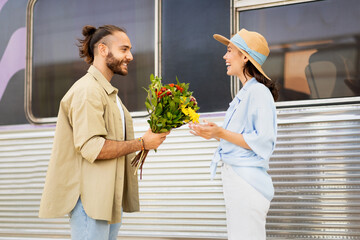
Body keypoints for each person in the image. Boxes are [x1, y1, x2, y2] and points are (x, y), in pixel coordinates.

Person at [39, 25, 169, 240]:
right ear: (103, 50)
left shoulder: (109, 94)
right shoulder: (88, 91)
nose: (130, 56)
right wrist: (142, 143)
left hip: (106, 199)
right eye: (124, 49)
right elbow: (93, 148)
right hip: (90, 200)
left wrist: (149, 138)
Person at [189, 29, 278, 240]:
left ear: (245, 57)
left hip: (247, 183)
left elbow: (263, 140)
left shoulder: (258, 92)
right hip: (239, 179)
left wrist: (220, 132)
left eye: (230, 51)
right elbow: (242, 137)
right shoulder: (246, 92)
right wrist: (214, 133)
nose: (225, 57)